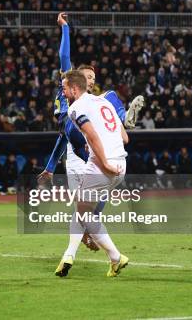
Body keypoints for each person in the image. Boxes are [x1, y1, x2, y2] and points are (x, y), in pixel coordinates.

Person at [55, 69, 129, 278]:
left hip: (102, 166)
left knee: (82, 212)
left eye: (64, 88)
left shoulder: (76, 108)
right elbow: (124, 137)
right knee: (84, 210)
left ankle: (115, 257)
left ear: (74, 88)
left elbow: (92, 135)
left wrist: (104, 162)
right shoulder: (104, 102)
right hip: (121, 164)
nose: (63, 92)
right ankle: (112, 258)